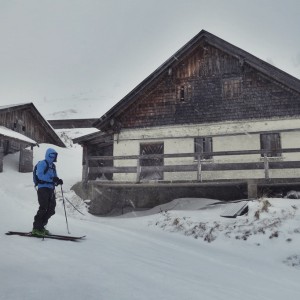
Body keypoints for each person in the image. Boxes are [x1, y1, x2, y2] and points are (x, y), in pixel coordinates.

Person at [32, 148, 63, 236]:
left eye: (55, 155)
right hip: (43, 188)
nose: (53, 157)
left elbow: (55, 177)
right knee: (43, 208)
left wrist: (58, 181)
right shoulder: (42, 163)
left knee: (51, 209)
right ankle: (36, 228)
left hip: (51, 189)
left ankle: (41, 227)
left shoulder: (53, 166)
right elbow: (40, 175)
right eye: (52, 155)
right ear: (48, 155)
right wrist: (52, 179)